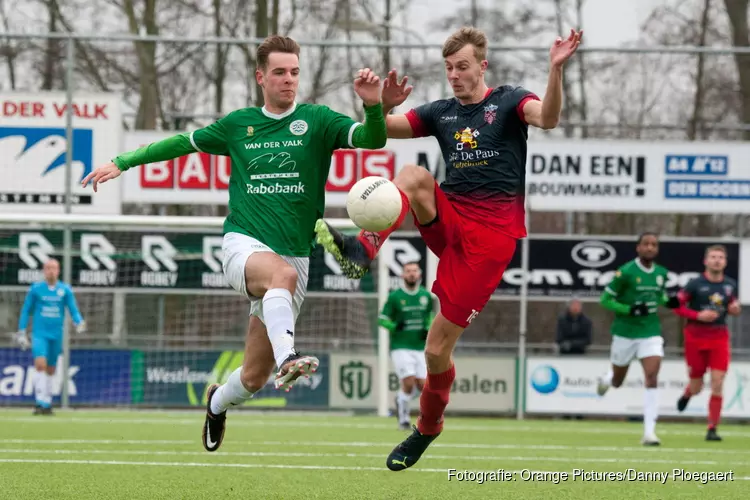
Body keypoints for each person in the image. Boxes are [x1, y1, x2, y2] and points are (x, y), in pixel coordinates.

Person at [81, 35, 387, 452]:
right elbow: (179, 144)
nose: (288, 80)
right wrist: (121, 161)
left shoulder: (318, 121)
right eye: (279, 72)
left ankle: (216, 402)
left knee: (252, 378)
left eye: (294, 72)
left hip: (294, 259)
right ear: (261, 77)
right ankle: (290, 356)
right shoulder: (237, 125)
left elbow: (372, 139)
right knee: (277, 277)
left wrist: (372, 104)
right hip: (243, 244)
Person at [315, 26, 582, 471]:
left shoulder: (511, 101)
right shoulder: (441, 112)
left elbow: (549, 117)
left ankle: (427, 427)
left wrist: (555, 71)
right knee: (415, 176)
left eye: (462, 67)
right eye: (449, 68)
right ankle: (362, 252)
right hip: (452, 220)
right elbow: (377, 133)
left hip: (490, 243)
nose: (455, 75)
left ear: (483, 65)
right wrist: (375, 104)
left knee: (436, 350)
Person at [596, 232, 680, 446]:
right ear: (638, 248)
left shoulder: (661, 273)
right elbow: (605, 300)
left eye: (654, 244)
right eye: (646, 244)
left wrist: (668, 301)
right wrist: (629, 309)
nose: (650, 248)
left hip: (650, 332)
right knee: (617, 381)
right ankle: (607, 379)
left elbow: (658, 295)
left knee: (652, 377)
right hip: (625, 333)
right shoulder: (625, 272)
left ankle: (649, 432)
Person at [673, 245, 740, 441]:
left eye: (720, 257)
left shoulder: (730, 285)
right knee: (697, 386)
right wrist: (697, 315)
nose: (717, 260)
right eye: (713, 257)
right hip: (695, 336)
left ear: (725, 262)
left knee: (718, 382)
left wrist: (735, 309)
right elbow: (675, 305)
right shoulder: (694, 284)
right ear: (706, 261)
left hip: (719, 336)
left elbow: (732, 305)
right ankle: (687, 394)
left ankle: (712, 428)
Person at [15, 258, 85, 415]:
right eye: (48, 268)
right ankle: (40, 402)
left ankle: (47, 401)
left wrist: (78, 321)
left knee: (51, 369)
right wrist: (21, 331)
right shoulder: (36, 289)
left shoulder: (65, 290)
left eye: (54, 268)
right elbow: (26, 310)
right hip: (40, 334)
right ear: (43, 271)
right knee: (40, 364)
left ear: (58, 271)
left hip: (57, 335)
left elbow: (72, 308)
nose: (51, 271)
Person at [378, 261, 435, 430]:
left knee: (423, 386)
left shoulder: (426, 296)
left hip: (420, 347)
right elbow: (382, 319)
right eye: (408, 271)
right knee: (409, 382)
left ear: (419, 274)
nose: (411, 274)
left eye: (414, 271)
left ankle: (402, 398)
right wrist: (395, 327)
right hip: (401, 346)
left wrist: (428, 328)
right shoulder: (395, 297)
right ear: (402, 275)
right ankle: (403, 419)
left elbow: (430, 317)